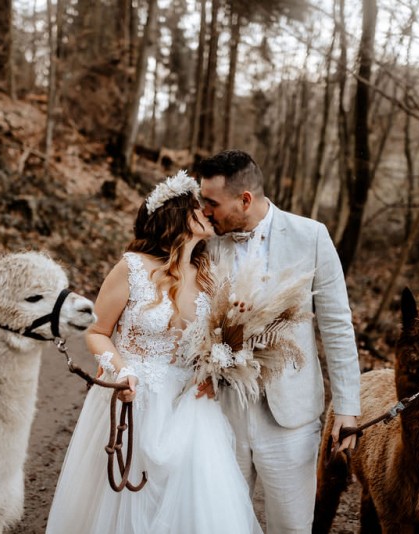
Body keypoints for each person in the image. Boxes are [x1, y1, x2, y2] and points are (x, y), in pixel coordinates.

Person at [46, 170, 262, 534]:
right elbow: (98, 332)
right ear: (177, 216)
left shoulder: (210, 275)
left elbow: (219, 342)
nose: (207, 213)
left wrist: (232, 333)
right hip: (135, 397)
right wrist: (119, 371)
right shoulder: (131, 268)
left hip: (191, 408)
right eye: (198, 208)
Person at [195, 149, 361, 534]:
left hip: (291, 419)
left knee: (292, 527)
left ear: (245, 200)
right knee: (220, 523)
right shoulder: (205, 241)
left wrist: (348, 408)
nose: (205, 211)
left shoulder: (312, 236)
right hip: (220, 411)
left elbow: (337, 324)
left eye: (212, 203)